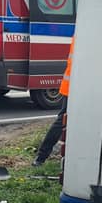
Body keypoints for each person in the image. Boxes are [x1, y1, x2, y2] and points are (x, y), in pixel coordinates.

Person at [33, 37, 73, 166]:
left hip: (72, 85)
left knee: (63, 120)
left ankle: (41, 157)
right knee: (62, 120)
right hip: (76, 86)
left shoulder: (81, 32)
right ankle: (41, 157)